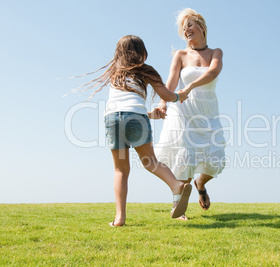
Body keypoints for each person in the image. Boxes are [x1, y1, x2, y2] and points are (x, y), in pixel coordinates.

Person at [74, 35, 192, 226]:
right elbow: (166, 95)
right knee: (150, 161)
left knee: (120, 170)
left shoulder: (115, 73)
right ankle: (176, 185)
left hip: (113, 119)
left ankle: (119, 218)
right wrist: (180, 96)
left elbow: (123, 107)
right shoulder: (146, 71)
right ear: (143, 53)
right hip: (136, 118)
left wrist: (151, 115)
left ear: (119, 53)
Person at [155, 8, 226, 220]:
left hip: (207, 111)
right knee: (184, 155)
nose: (186, 30)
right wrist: (162, 103)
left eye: (189, 25)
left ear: (202, 27)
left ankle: (200, 184)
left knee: (216, 159)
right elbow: (171, 82)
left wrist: (191, 87)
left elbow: (213, 72)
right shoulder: (181, 55)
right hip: (183, 109)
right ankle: (178, 209)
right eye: (183, 28)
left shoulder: (216, 52)